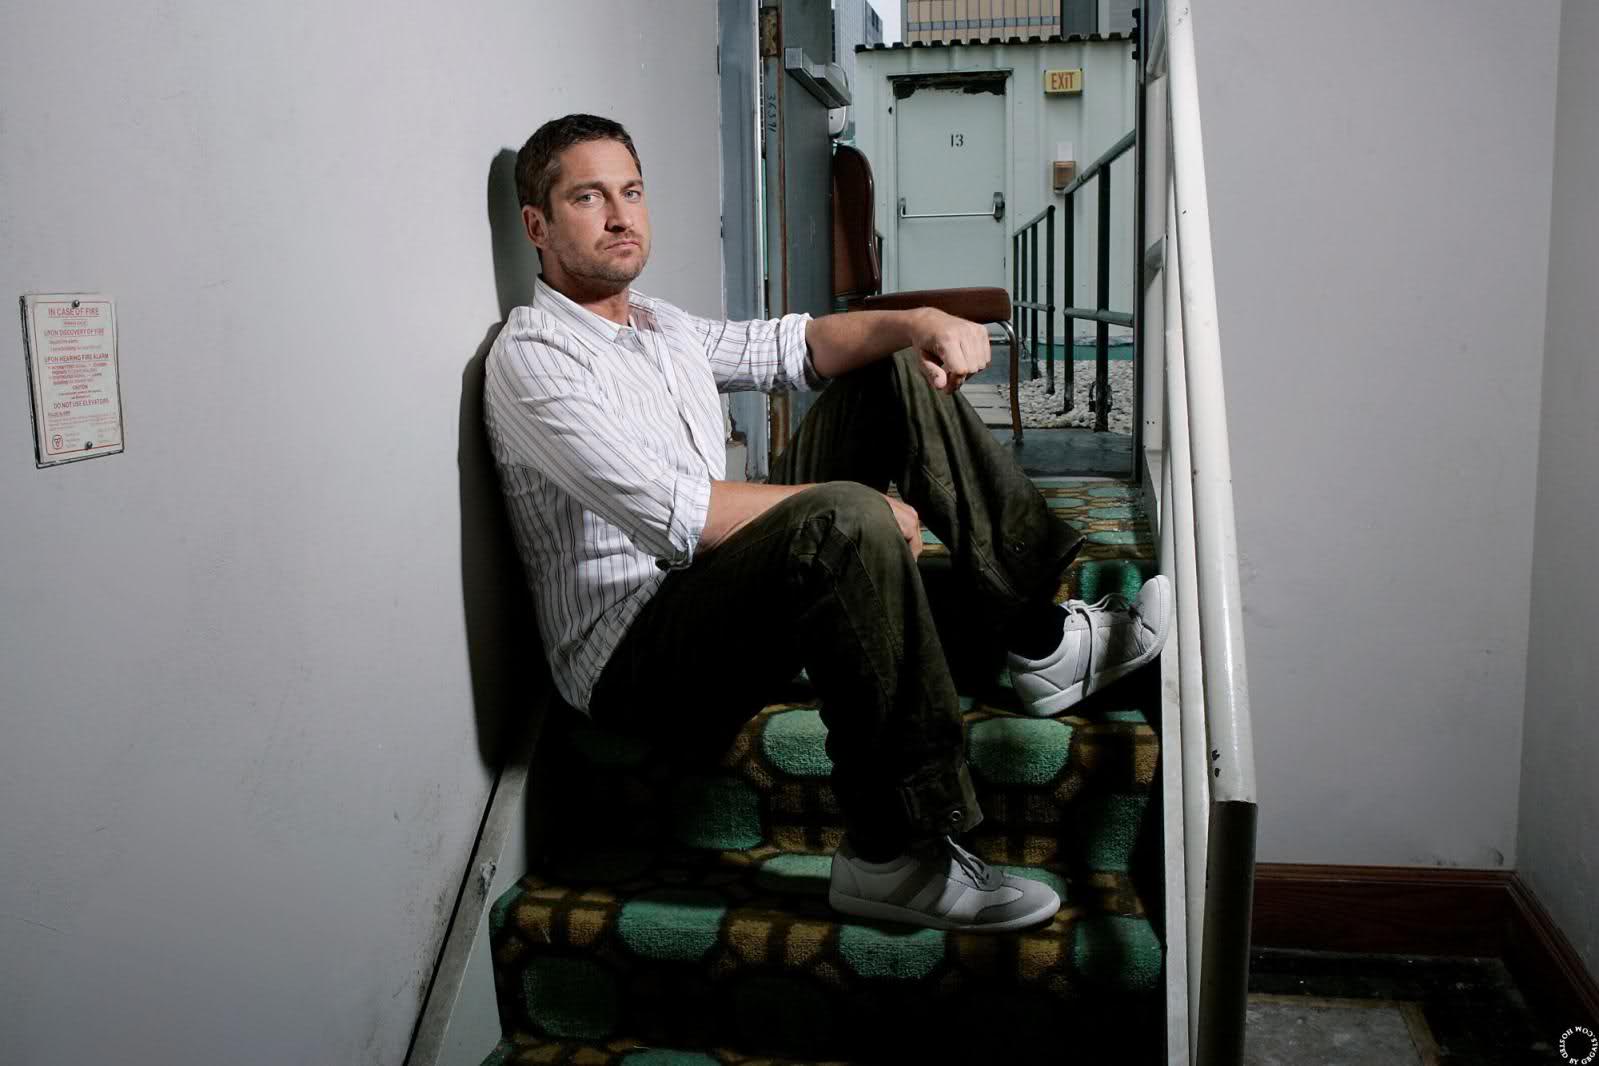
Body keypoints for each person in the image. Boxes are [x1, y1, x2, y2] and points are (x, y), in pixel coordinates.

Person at [483, 114, 1171, 935]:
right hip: (635, 663)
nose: (621, 216)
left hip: (712, 592)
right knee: (842, 519)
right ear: (537, 226)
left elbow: (796, 346)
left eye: (630, 192)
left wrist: (916, 322)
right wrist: (855, 505)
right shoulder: (533, 357)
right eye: (588, 198)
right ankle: (896, 853)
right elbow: (677, 514)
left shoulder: (658, 327)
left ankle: (1039, 637)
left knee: (886, 368)